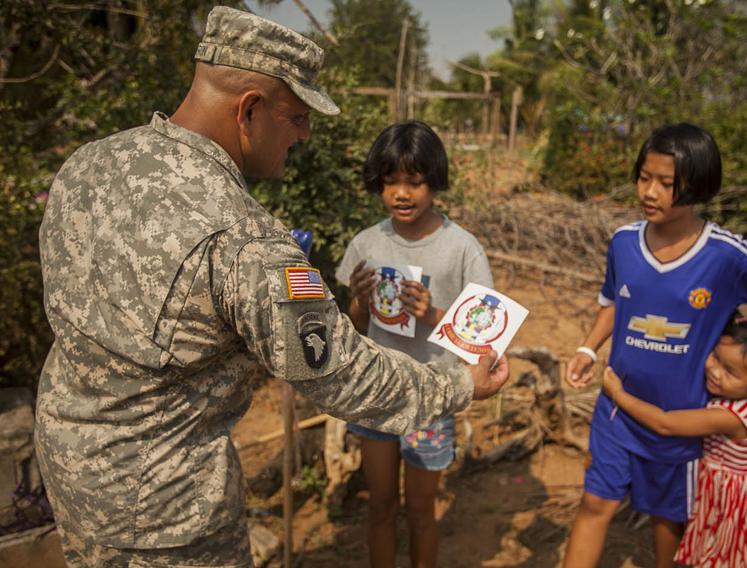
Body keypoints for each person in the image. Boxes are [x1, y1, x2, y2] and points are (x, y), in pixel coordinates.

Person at [34, 8, 509, 567]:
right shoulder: (246, 239)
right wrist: (456, 385)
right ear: (250, 110)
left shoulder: (89, 166)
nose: (305, 134)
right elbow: (338, 372)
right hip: (168, 518)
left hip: (74, 480)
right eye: (297, 116)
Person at [561, 123, 747, 568]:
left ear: (700, 186)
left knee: (667, 520)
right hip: (615, 408)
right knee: (595, 505)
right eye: (644, 177)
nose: (650, 192)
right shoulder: (624, 243)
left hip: (684, 423)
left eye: (667, 184)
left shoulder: (727, 256)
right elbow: (615, 302)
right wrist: (588, 349)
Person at [336, 121, 494, 568]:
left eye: (414, 181)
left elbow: (482, 339)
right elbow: (356, 330)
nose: (401, 194)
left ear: (434, 182)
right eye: (390, 182)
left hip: (433, 396)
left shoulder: (462, 249)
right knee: (381, 505)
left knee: (422, 511)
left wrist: (433, 315)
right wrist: (361, 301)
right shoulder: (367, 243)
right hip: (378, 394)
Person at [602, 316, 747, 567]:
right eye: (715, 357)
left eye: (730, 371)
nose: (715, 371)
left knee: (726, 553)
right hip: (724, 487)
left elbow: (665, 423)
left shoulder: (729, 416)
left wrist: (619, 395)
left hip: (733, 499)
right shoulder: (734, 398)